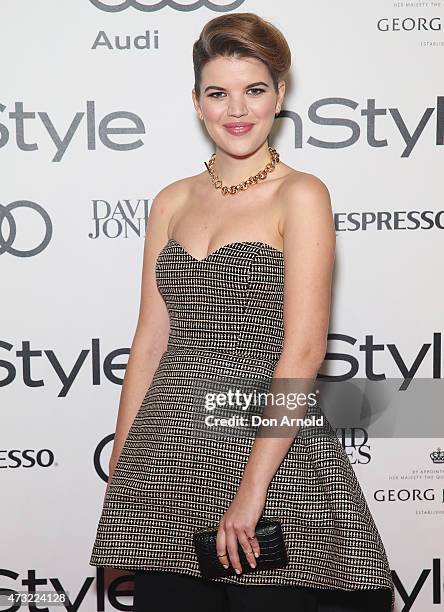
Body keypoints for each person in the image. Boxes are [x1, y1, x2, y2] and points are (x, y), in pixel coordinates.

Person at [89, 12, 395, 612]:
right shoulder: (171, 201)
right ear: (197, 102)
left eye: (255, 90)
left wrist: (252, 489)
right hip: (167, 456)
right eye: (218, 93)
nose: (237, 109)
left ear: (279, 96)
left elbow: (302, 351)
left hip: (266, 448)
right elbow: (150, 342)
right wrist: (121, 481)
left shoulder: (300, 194)